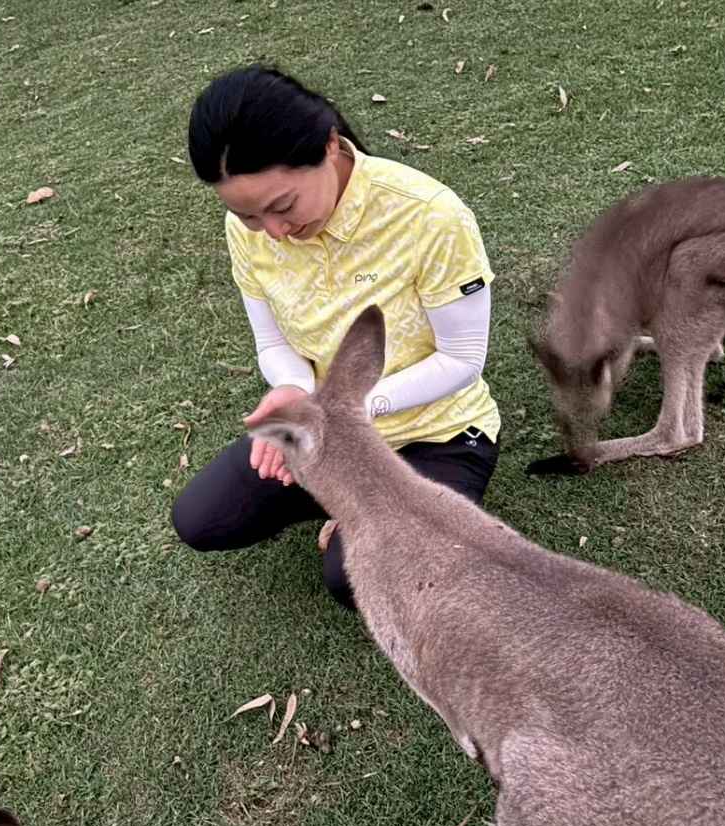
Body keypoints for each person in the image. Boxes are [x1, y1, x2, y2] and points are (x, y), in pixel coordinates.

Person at [172, 64, 501, 609]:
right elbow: (274, 345)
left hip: (435, 432)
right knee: (201, 520)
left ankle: (389, 506)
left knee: (352, 580)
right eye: (248, 216)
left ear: (329, 147)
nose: (272, 232)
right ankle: (351, 502)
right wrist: (297, 394)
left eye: (282, 207)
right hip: (322, 427)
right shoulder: (249, 231)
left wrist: (344, 409)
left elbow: (463, 357)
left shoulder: (430, 216)